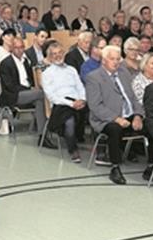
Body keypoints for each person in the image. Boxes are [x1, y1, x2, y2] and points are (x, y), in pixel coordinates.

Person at [85, 45, 145, 185]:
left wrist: (138, 115)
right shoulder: (93, 77)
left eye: (118, 59)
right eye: (112, 59)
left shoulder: (124, 74)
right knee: (114, 129)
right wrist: (116, 118)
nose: (116, 62)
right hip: (106, 119)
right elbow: (95, 106)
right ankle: (115, 168)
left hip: (128, 115)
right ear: (104, 60)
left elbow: (134, 98)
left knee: (151, 124)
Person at [41, 42, 89, 163]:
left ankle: (101, 148)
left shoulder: (71, 70)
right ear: (50, 57)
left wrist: (82, 99)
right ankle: (73, 149)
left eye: (60, 53)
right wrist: (71, 104)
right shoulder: (47, 74)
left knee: (96, 111)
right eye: (54, 54)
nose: (57, 56)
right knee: (69, 120)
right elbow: (52, 96)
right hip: (61, 105)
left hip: (78, 101)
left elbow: (80, 87)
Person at [0, 33, 45, 135]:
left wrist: (31, 88)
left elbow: (31, 79)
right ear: (11, 48)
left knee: (39, 100)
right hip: (13, 95)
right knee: (42, 93)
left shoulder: (25, 61)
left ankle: (42, 134)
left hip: (27, 93)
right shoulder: (5, 63)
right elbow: (10, 86)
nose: (19, 50)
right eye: (16, 48)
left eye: (22, 47)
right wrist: (29, 90)